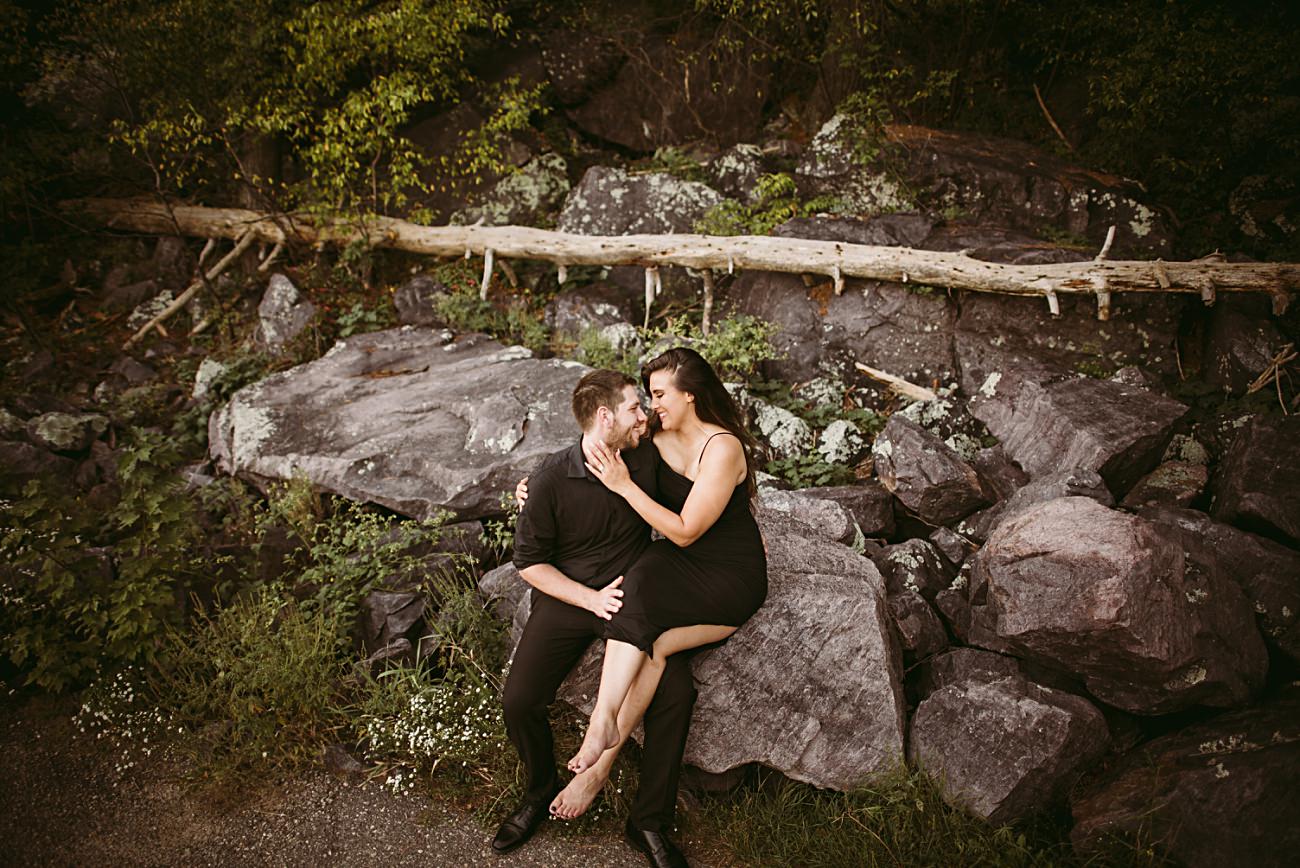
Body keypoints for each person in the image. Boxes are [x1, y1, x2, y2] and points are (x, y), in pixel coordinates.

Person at [494, 368, 696, 868]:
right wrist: (588, 599)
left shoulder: (646, 455)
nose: (644, 414)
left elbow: (696, 470)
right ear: (604, 417)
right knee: (519, 700)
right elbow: (529, 564)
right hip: (571, 600)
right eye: (634, 407)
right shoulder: (550, 479)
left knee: (677, 694)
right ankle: (540, 789)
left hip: (631, 600)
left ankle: (647, 821)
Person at [566, 347, 768, 782]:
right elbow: (596, 443)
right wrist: (536, 485)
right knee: (637, 599)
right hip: (678, 562)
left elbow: (684, 530)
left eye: (660, 395)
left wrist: (625, 487)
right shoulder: (655, 431)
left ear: (689, 395)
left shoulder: (722, 448)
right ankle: (601, 737)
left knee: (651, 631)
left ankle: (597, 767)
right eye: (650, 396)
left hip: (729, 577)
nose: (652, 406)